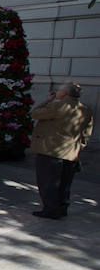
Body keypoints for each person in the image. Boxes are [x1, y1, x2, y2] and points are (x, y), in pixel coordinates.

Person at [30, 82, 94, 219]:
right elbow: (87, 132)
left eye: (58, 90)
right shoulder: (85, 109)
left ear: (64, 93)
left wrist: (47, 101)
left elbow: (35, 113)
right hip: (71, 151)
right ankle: (62, 207)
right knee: (65, 183)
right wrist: (80, 146)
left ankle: (51, 209)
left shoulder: (57, 105)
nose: (57, 92)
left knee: (48, 182)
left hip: (51, 150)